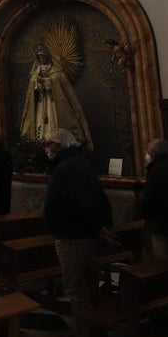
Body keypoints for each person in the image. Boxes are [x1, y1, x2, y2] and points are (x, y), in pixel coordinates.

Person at [43, 128, 114, 320]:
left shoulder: (65, 168)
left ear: (58, 146)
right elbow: (98, 197)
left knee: (77, 289)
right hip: (86, 233)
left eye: (48, 144)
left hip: (72, 235)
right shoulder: (81, 163)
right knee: (89, 284)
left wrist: (97, 226)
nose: (46, 148)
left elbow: (77, 203)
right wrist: (102, 225)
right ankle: (94, 330)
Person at [20, 44, 92, 148]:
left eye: (43, 57)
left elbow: (61, 88)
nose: (42, 59)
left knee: (53, 124)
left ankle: (55, 144)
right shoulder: (35, 73)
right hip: (41, 102)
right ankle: (41, 143)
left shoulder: (57, 72)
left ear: (48, 57)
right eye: (40, 57)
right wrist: (37, 83)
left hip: (53, 104)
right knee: (40, 125)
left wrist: (47, 82)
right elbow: (32, 92)